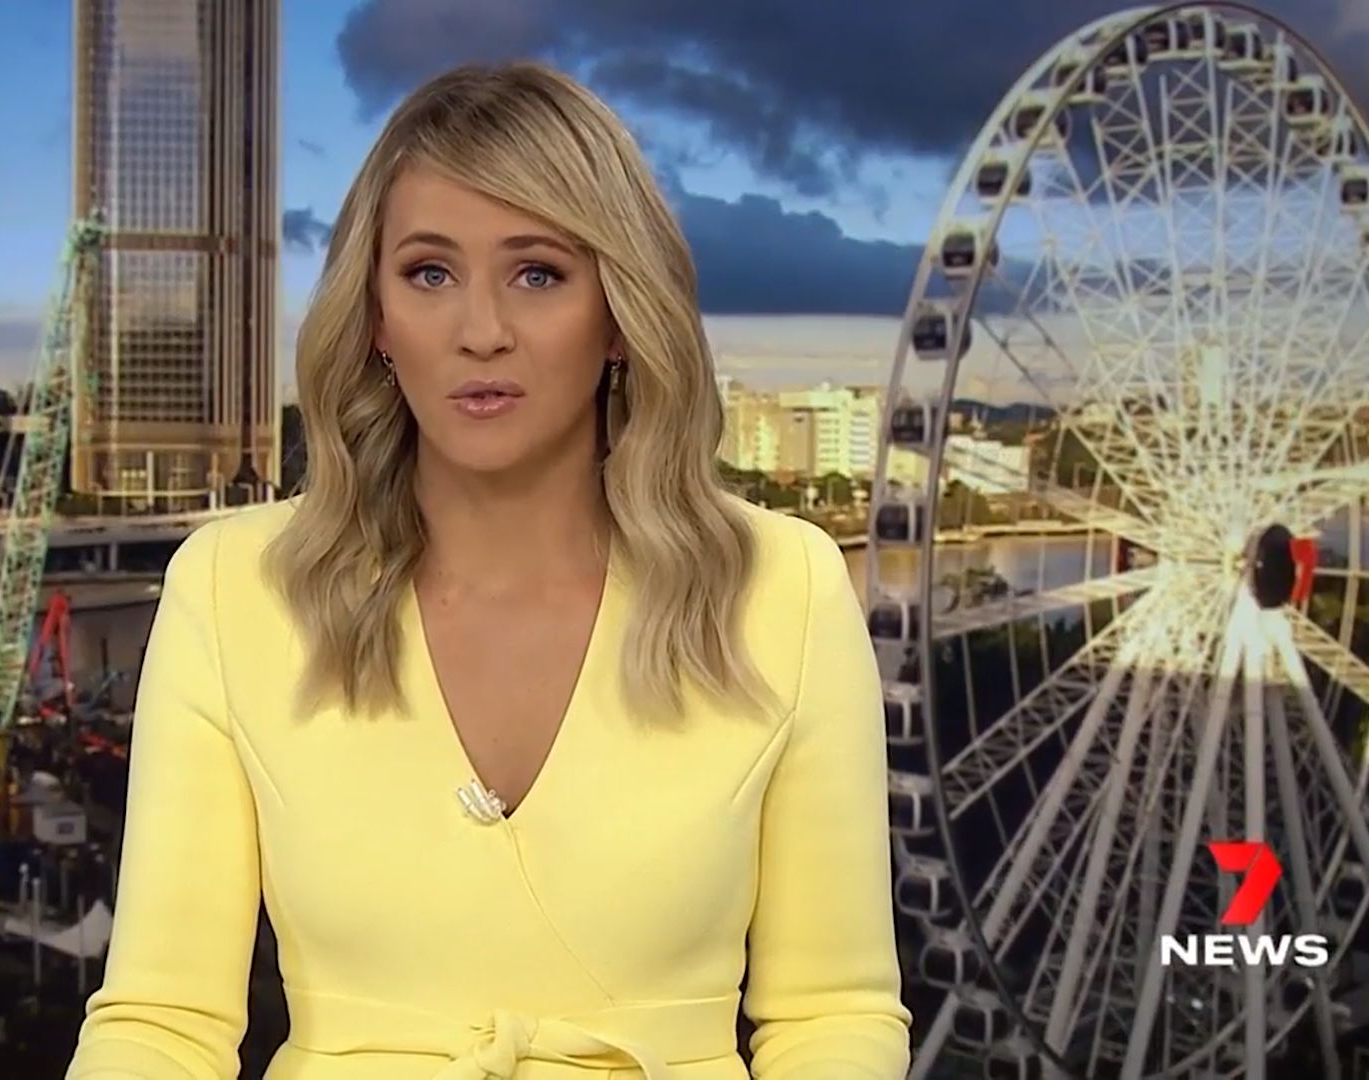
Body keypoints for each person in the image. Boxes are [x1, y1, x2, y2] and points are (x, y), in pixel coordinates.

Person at [68, 61, 912, 1080]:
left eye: (538, 274)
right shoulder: (233, 587)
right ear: (375, 318)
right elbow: (161, 1026)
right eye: (430, 274)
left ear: (618, 314)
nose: (481, 333)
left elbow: (832, 1019)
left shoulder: (784, 591)